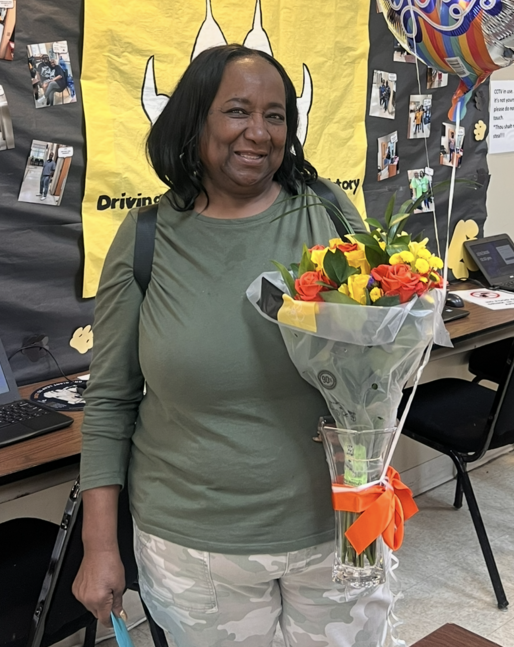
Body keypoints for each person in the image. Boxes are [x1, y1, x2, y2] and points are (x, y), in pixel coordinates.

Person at [73, 45, 391, 647]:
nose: (258, 132)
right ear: (195, 123)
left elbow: (379, 353)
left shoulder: (328, 214)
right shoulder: (146, 240)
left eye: (276, 116)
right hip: (193, 544)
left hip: (339, 524)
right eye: (237, 111)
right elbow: (110, 401)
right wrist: (99, 548)